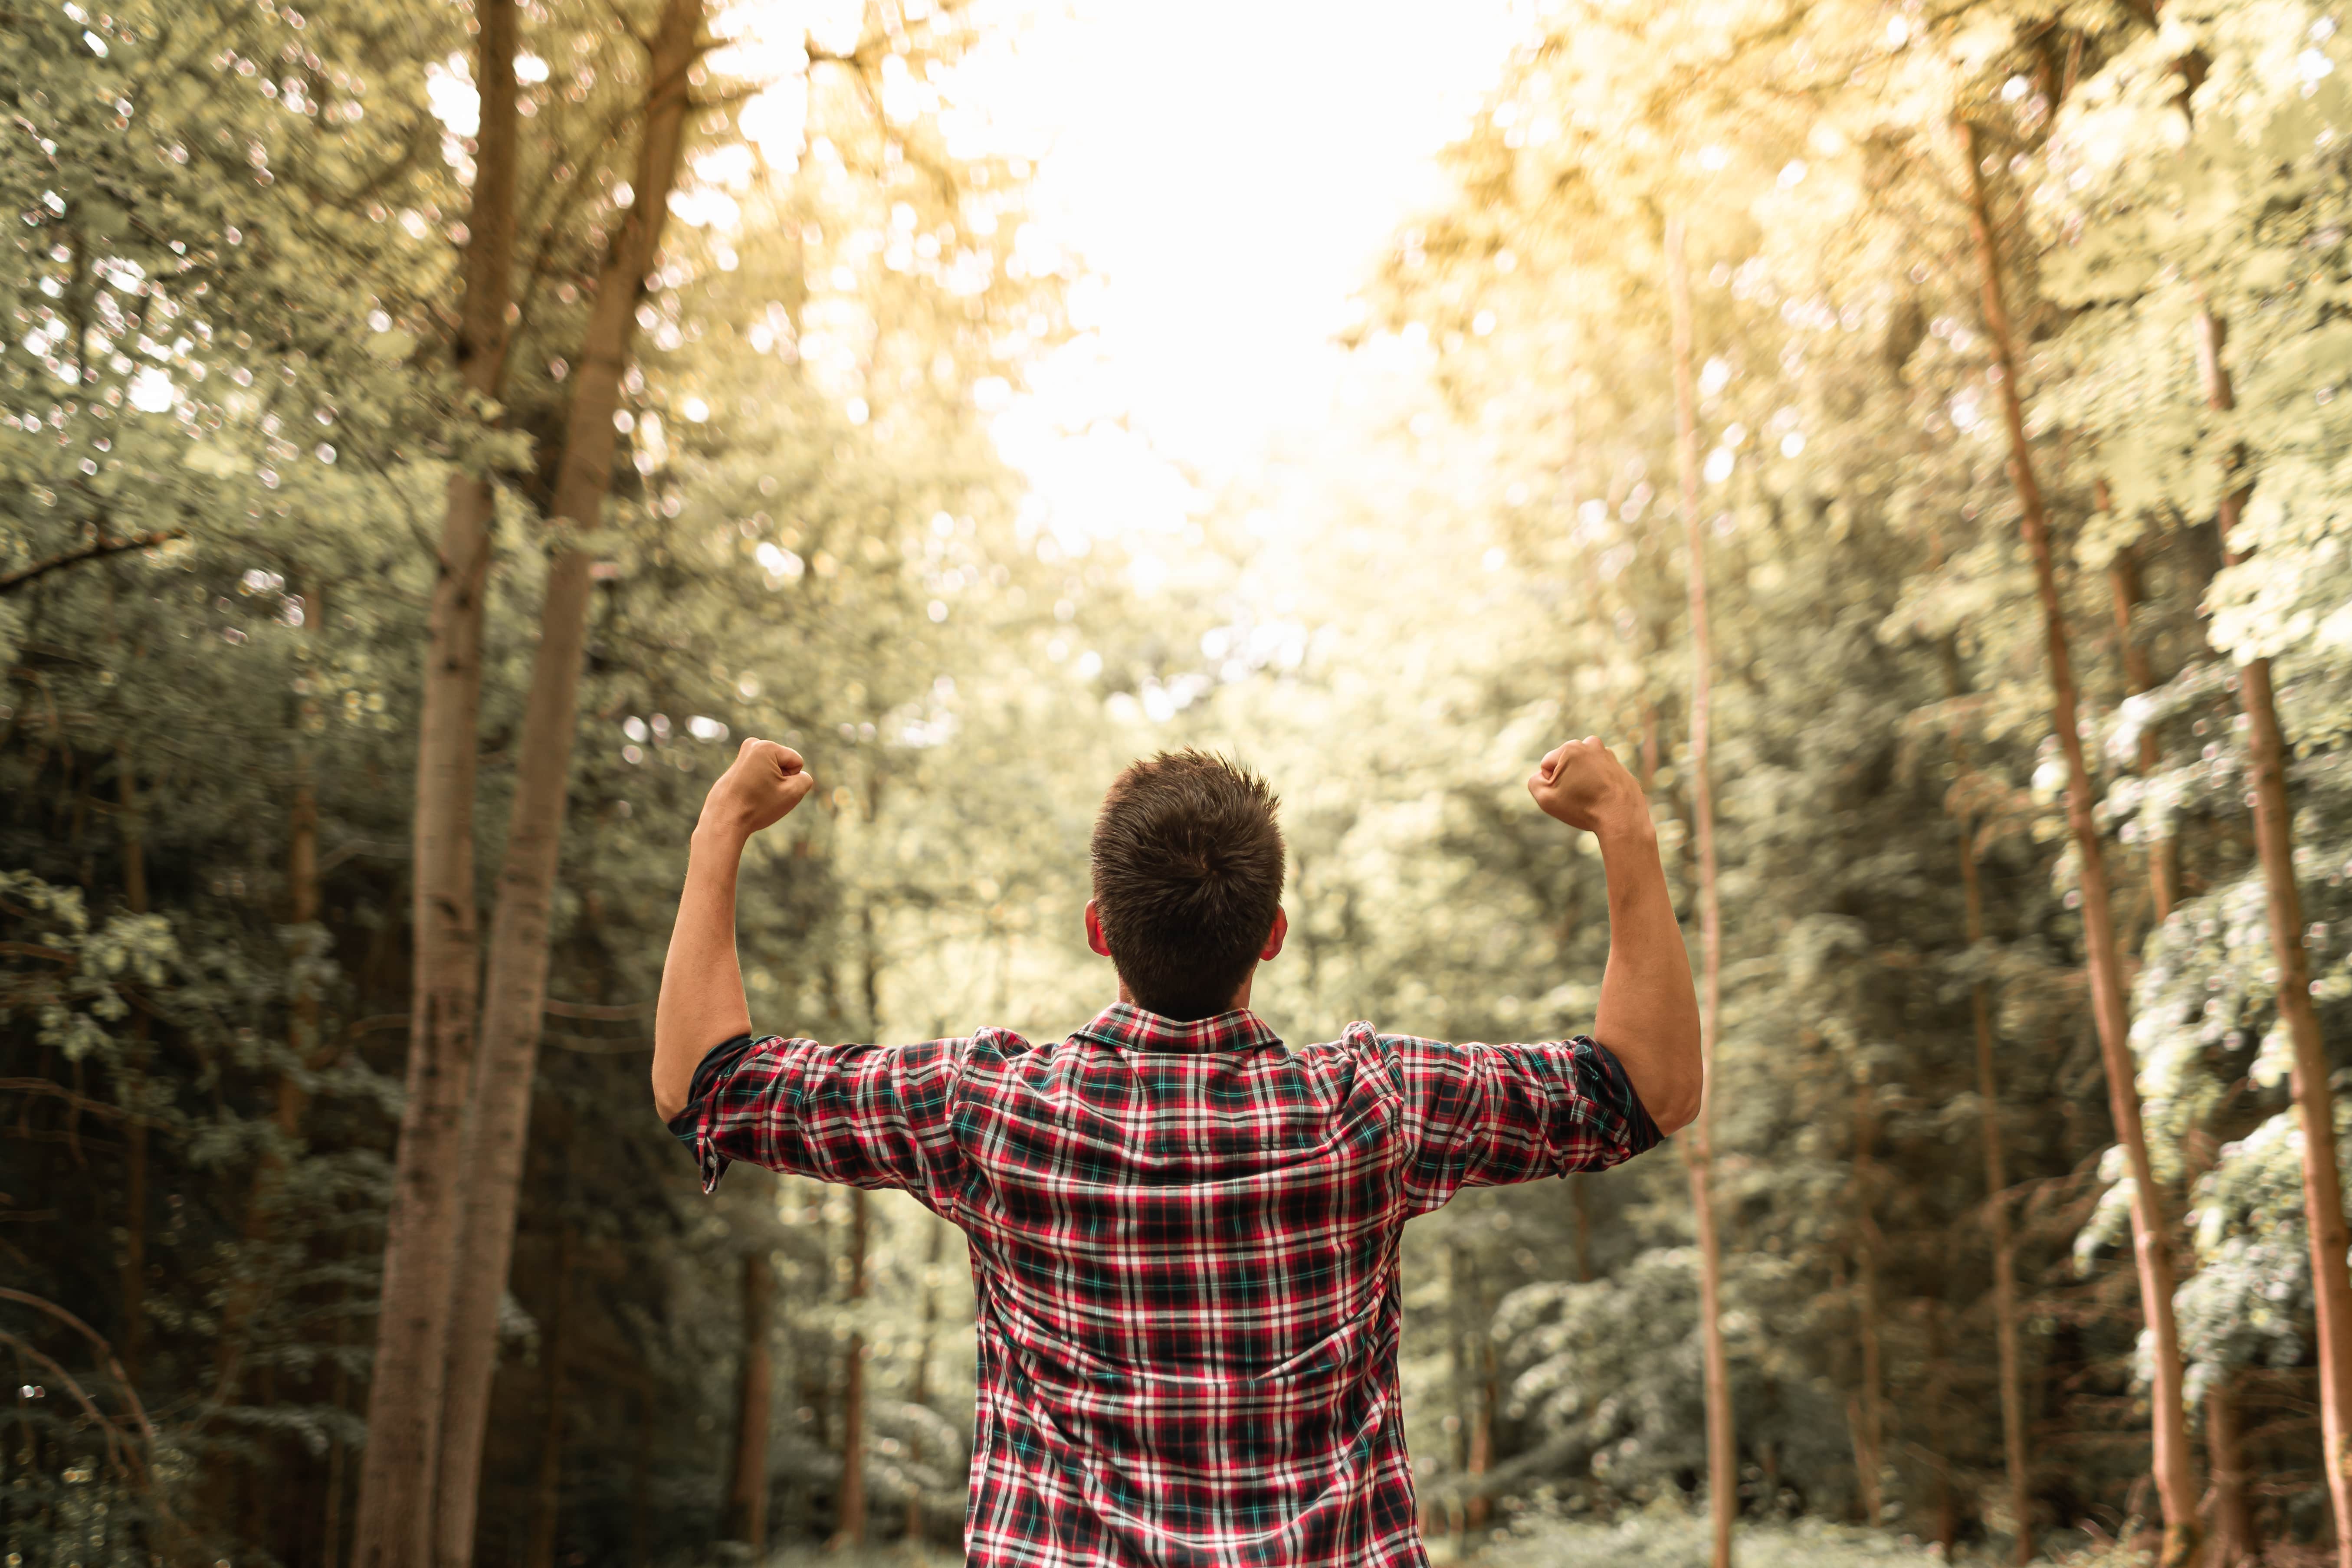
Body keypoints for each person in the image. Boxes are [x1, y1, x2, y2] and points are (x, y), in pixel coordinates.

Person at [653, 738, 1702, 1567]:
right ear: (1272, 933)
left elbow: (703, 1082)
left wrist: (720, 826)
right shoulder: (1374, 1111)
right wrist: (1623, 823)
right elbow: (1649, 1086)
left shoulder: (983, 1113)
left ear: (1099, 929)